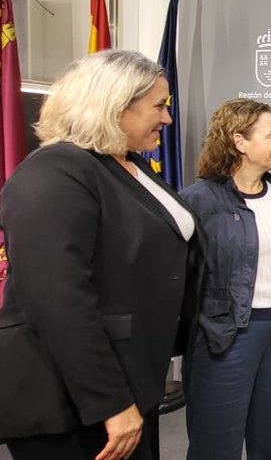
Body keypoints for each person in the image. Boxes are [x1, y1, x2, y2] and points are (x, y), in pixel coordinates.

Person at [0, 50, 201, 460]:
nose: (167, 118)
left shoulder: (126, 164)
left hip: (131, 372)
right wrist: (110, 401)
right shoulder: (53, 173)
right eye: (159, 106)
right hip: (72, 398)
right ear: (112, 106)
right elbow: (59, 300)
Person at [179, 98, 271, 460]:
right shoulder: (198, 200)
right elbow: (181, 276)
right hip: (227, 333)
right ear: (240, 142)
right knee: (216, 442)